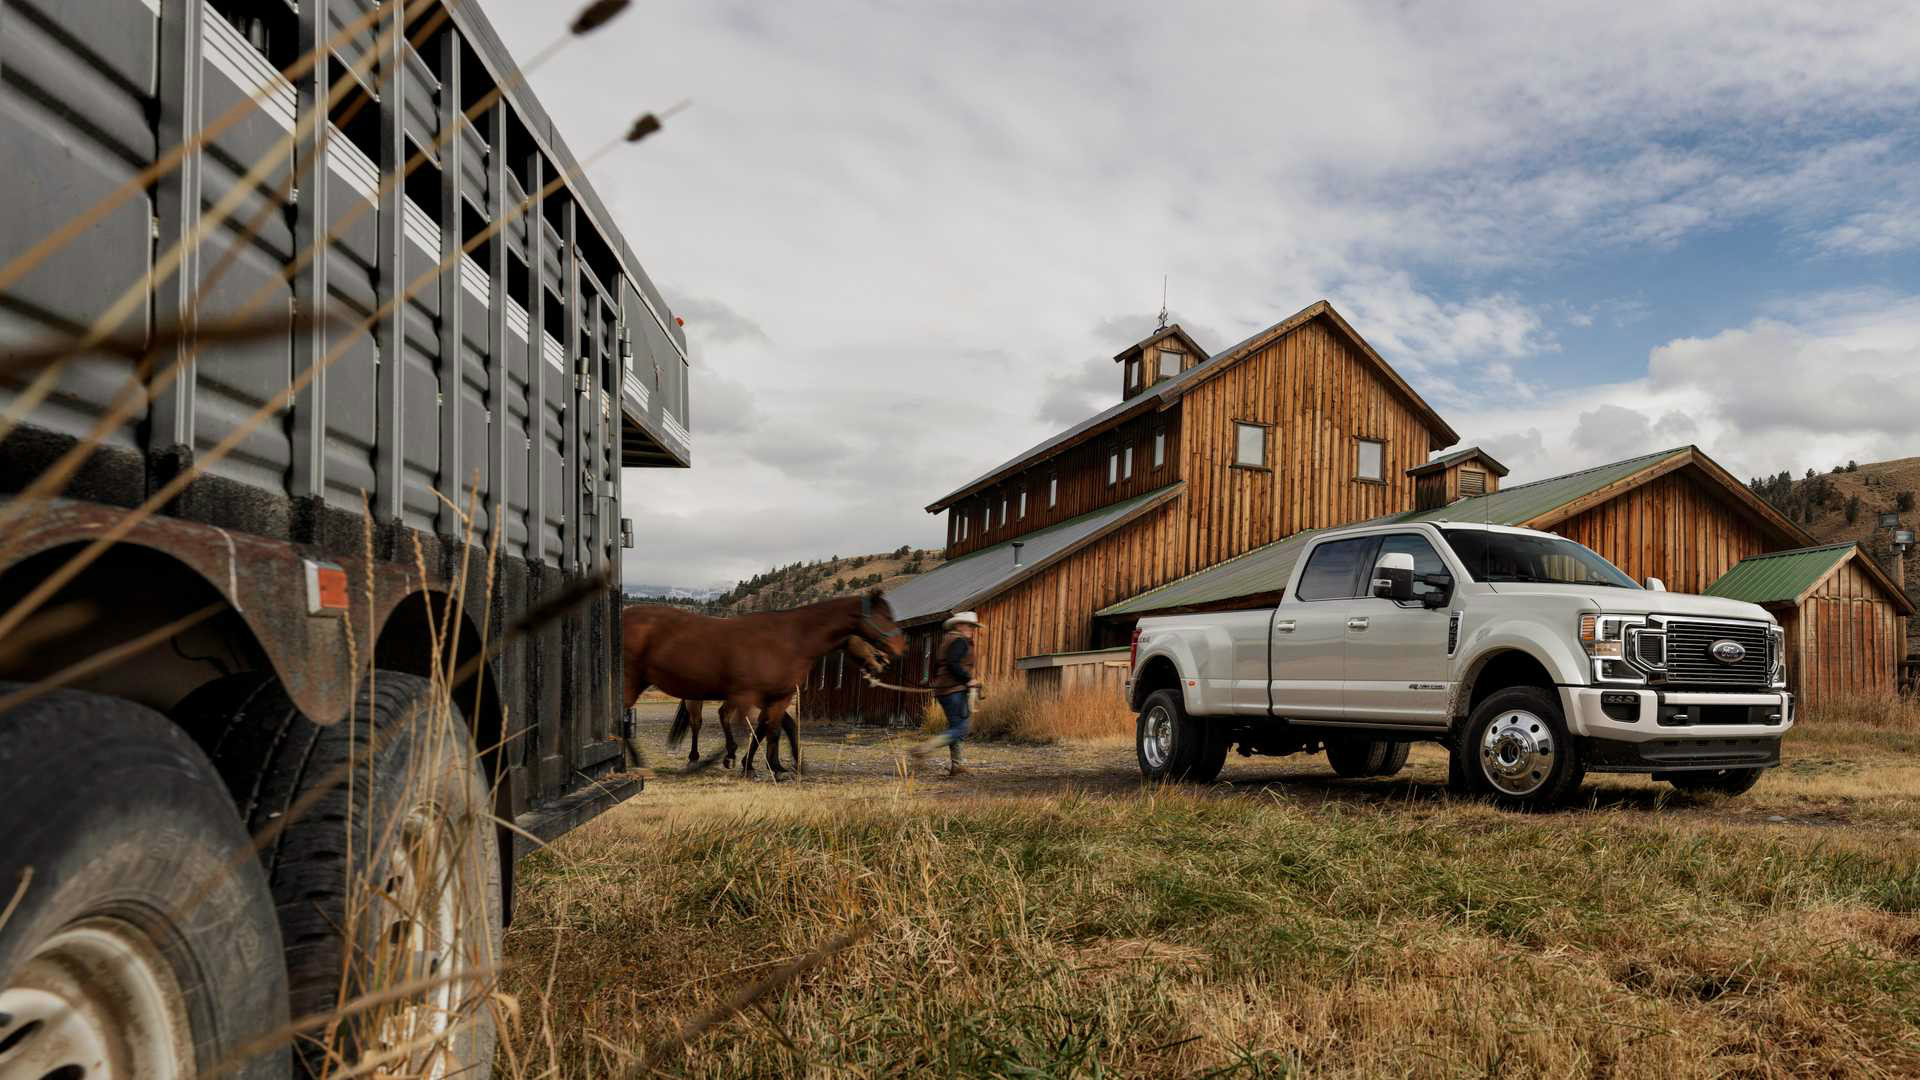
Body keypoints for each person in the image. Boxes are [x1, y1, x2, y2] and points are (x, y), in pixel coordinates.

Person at [913, 610, 981, 775]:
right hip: (954, 690)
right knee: (960, 728)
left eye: (973, 626)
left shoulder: (948, 639)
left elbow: (942, 665)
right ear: (959, 625)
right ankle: (924, 749)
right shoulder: (960, 641)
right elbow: (953, 664)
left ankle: (957, 765)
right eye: (969, 625)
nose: (972, 629)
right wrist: (968, 679)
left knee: (956, 726)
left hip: (945, 689)